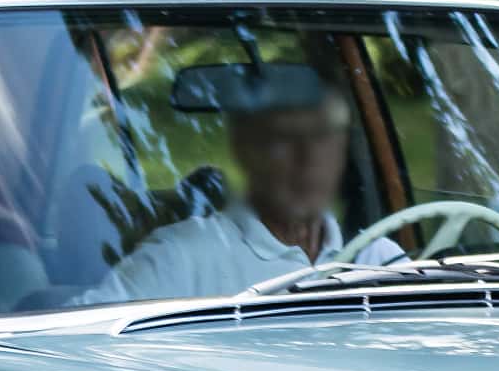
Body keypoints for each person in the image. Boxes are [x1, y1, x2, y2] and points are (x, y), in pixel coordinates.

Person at [92, 62, 359, 300]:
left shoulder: (378, 259)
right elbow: (76, 335)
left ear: (343, 148)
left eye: (323, 137)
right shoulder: (182, 257)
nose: (308, 158)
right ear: (246, 150)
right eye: (286, 138)